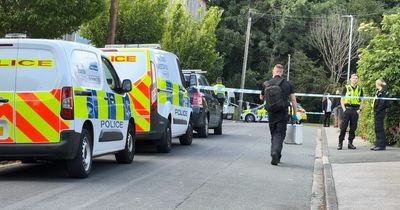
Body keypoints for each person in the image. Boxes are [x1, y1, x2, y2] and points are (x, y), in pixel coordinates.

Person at [261, 64, 298, 165]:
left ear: (274, 71)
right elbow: (293, 100)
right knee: (280, 134)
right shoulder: (287, 84)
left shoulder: (266, 84)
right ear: (281, 72)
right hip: (283, 113)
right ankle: (276, 153)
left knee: (273, 134)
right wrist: (295, 114)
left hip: (271, 112)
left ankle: (275, 153)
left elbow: (262, 98)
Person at [338, 73, 364, 150]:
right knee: (343, 127)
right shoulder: (346, 87)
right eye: (353, 78)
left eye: (356, 78)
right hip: (347, 109)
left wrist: (359, 109)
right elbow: (342, 99)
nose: (355, 79)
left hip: (355, 110)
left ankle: (350, 143)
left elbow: (362, 100)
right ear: (350, 79)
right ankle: (340, 143)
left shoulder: (360, 89)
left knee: (353, 128)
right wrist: (344, 109)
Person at [371, 79, 389, 151]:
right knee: (377, 128)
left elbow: (382, 103)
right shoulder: (378, 92)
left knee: (379, 128)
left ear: (378, 84)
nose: (375, 84)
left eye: (376, 83)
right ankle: (378, 144)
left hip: (380, 112)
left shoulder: (383, 92)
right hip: (377, 112)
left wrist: (378, 110)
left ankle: (381, 145)